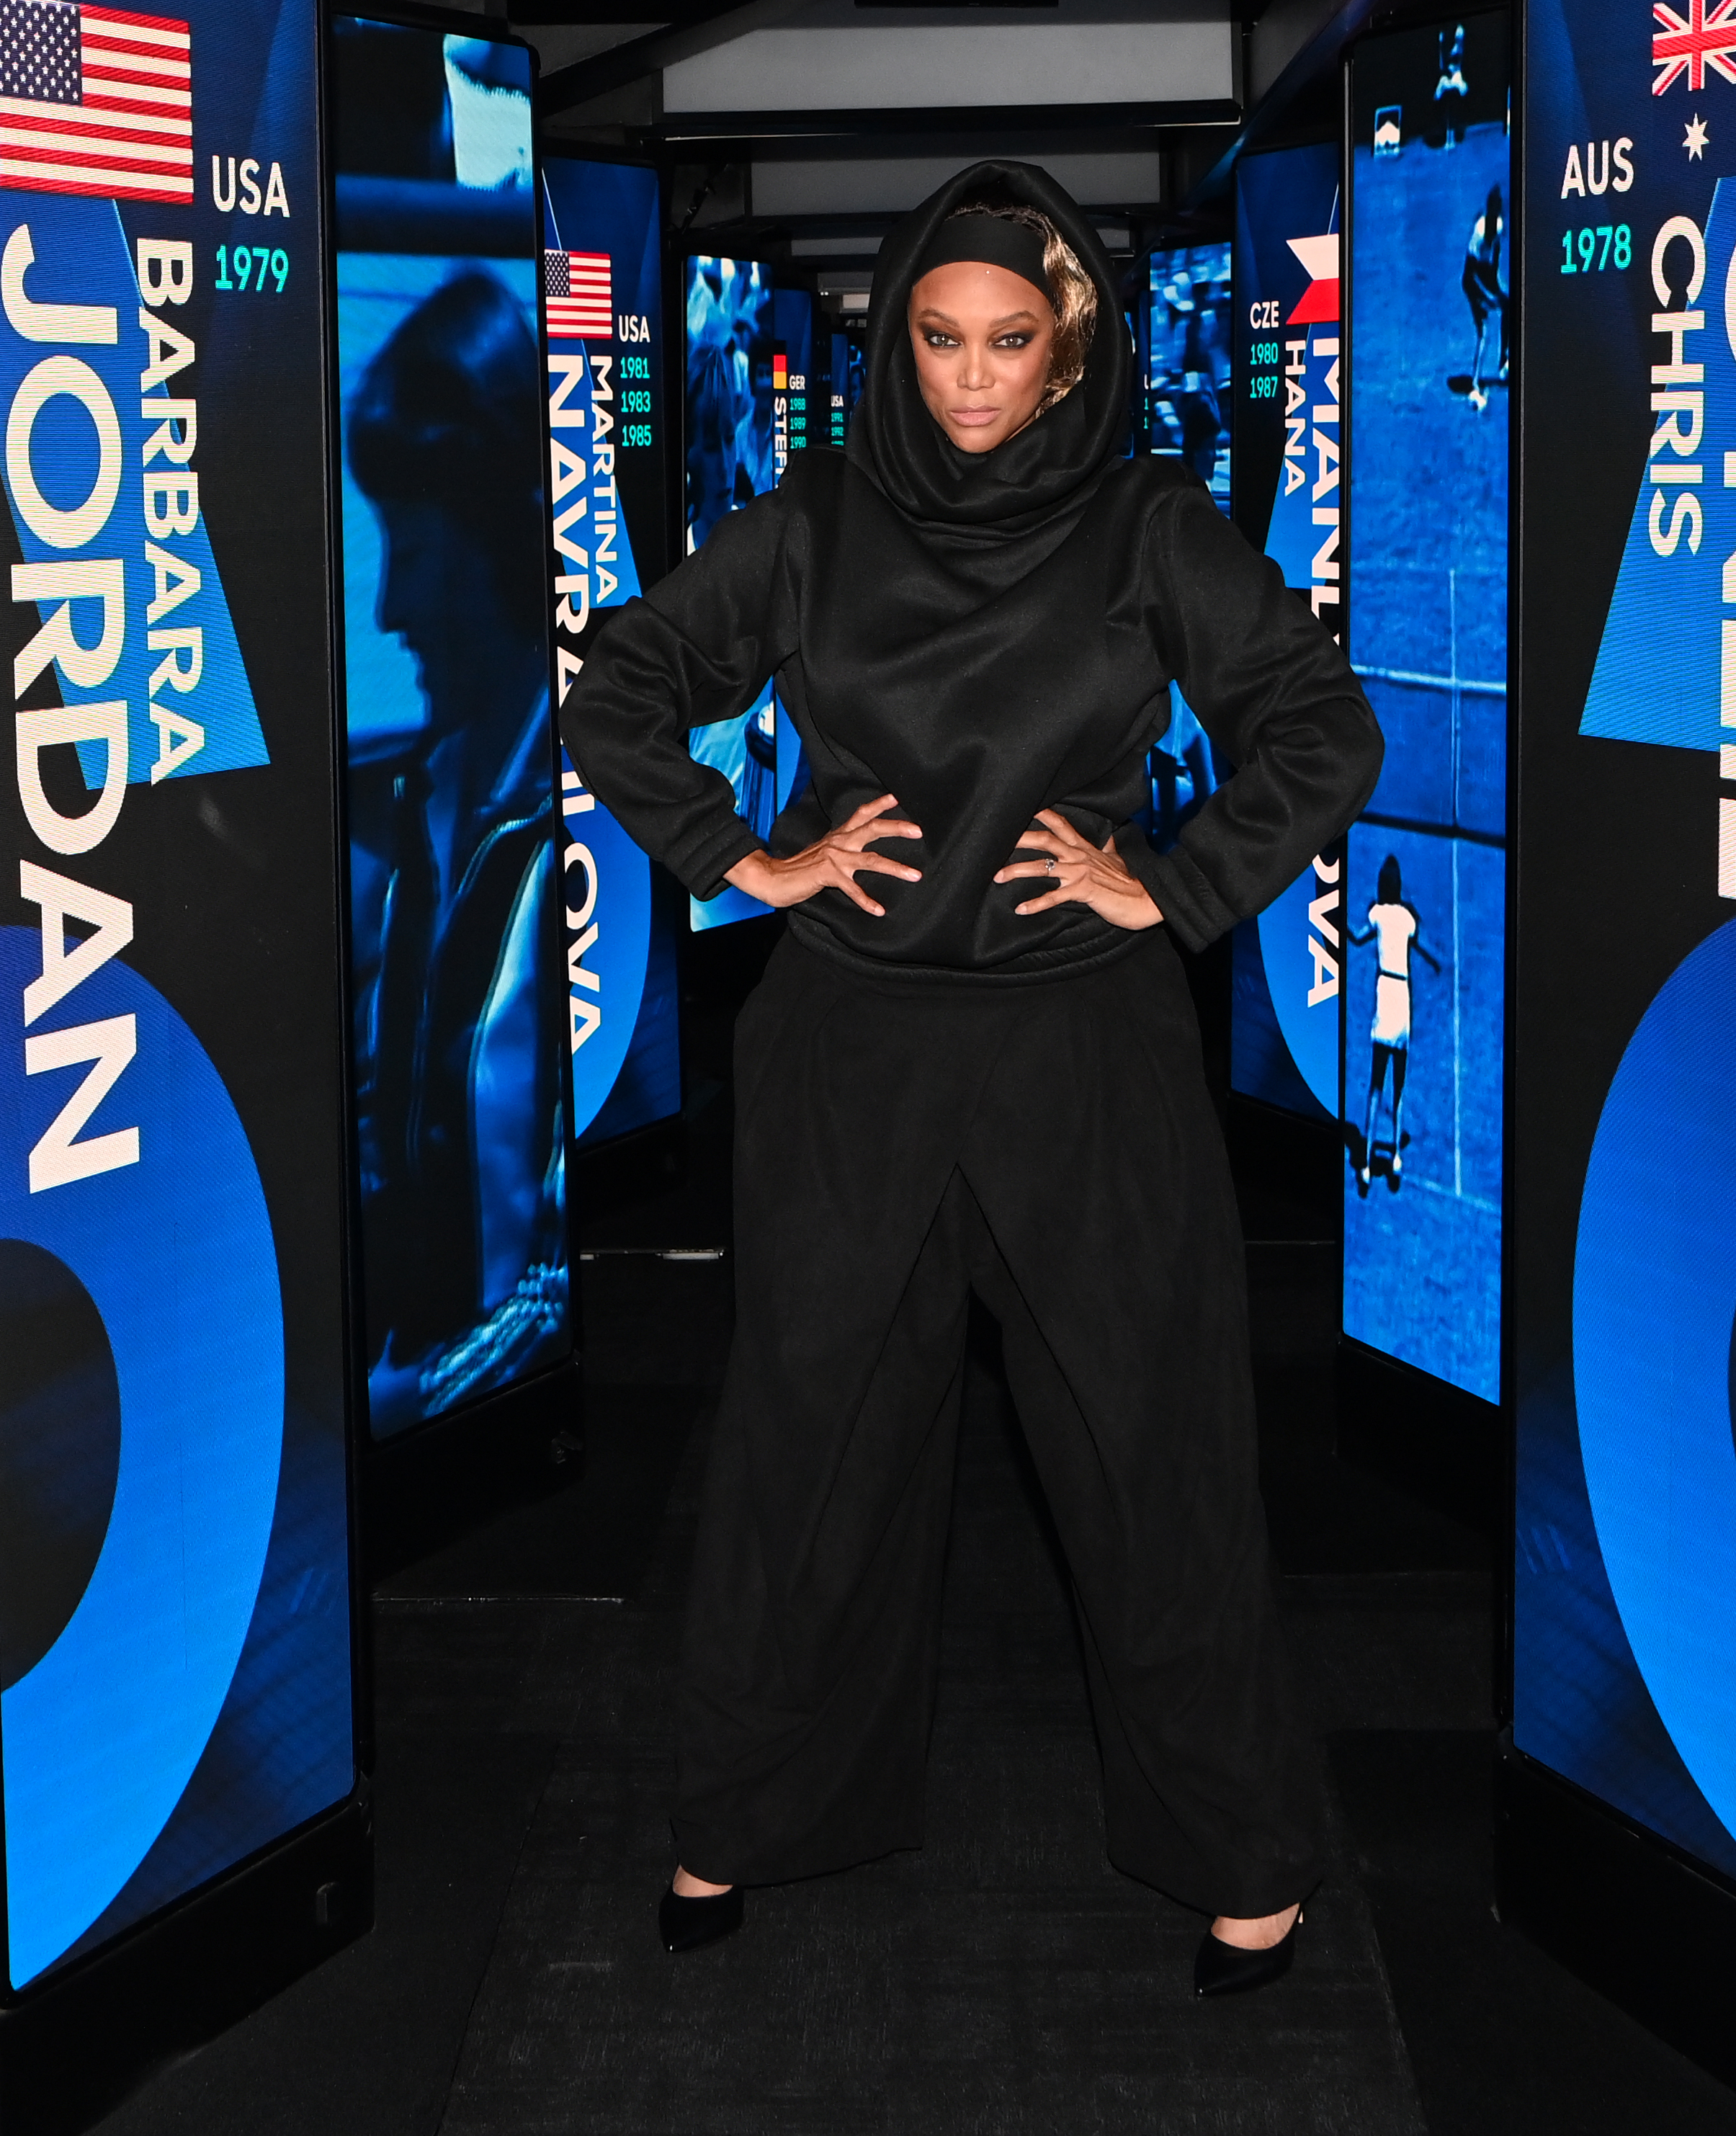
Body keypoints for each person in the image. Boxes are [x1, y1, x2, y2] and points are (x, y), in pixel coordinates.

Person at [560, 161, 1382, 1998]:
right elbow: (619, 680)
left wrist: (1167, 884)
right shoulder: (813, 520)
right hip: (845, 1046)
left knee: (1147, 1446)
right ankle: (735, 1817)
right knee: (801, 1447)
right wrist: (738, 853)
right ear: (893, 340)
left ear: (1068, 337)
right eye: (935, 338)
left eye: (1009, 340)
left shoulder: (1146, 523)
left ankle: (1239, 1859)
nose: (970, 378)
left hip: (1079, 1049)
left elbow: (1321, 724)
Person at [347, 270, 568, 1431]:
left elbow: (569, 1265)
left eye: (419, 554)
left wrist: (407, 1404)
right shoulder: (419, 793)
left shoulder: (593, 812)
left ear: (502, 538)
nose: (387, 606)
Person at [1348, 854, 1441, 1193]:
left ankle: (1368, 1164)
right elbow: (1420, 945)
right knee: (1398, 1086)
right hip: (1402, 1000)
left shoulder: (1377, 914)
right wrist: (1434, 961)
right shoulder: (1407, 917)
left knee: (1376, 1084)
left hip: (1385, 996)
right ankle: (1397, 1158)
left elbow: (1357, 938)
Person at [1462, 184, 1510, 412]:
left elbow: (1496, 257)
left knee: (1508, 306)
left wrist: (1498, 289)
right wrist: (1488, 297)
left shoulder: (1499, 226)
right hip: (1472, 283)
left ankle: (1504, 362)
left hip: (1486, 276)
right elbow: (1470, 272)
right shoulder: (1479, 233)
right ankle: (1474, 385)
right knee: (1484, 334)